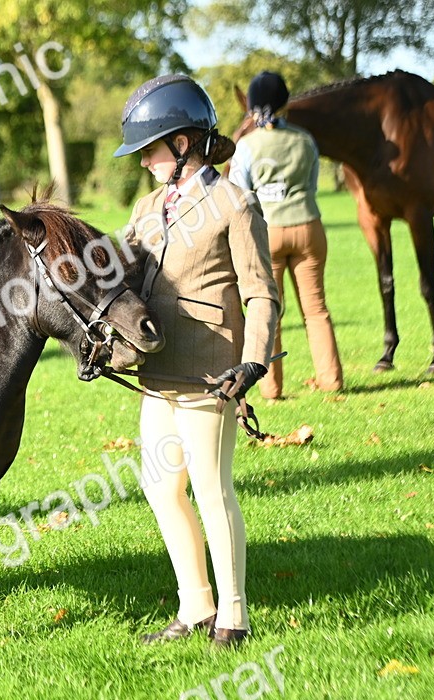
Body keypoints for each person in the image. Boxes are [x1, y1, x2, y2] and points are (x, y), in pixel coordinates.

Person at [113, 75, 280, 648]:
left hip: (211, 371)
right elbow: (119, 269)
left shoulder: (234, 203)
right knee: (162, 488)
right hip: (156, 373)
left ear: (183, 143)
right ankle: (196, 607)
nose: (144, 163)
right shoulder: (147, 206)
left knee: (211, 487)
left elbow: (261, 293)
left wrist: (253, 363)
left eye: (151, 150)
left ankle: (234, 617)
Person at [228, 71, 343, 399]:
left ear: (250, 105)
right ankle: (331, 380)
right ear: (284, 102)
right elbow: (312, 185)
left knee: (269, 310)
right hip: (309, 227)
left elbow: (239, 194)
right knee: (317, 308)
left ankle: (271, 387)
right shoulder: (305, 139)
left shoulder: (247, 146)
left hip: (268, 233)